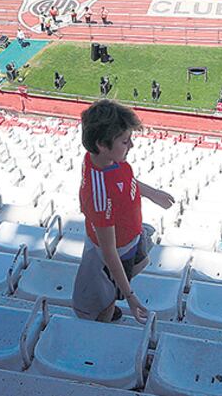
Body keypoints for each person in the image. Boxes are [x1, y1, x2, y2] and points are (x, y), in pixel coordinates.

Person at [72, 100, 175, 323]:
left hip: (130, 238)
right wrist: (130, 296)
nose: (132, 146)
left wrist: (152, 193)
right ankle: (106, 315)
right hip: (115, 253)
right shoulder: (99, 196)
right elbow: (109, 252)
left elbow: (126, 180)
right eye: (125, 141)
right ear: (102, 144)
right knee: (105, 297)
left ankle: (114, 294)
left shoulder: (105, 160)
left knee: (129, 271)